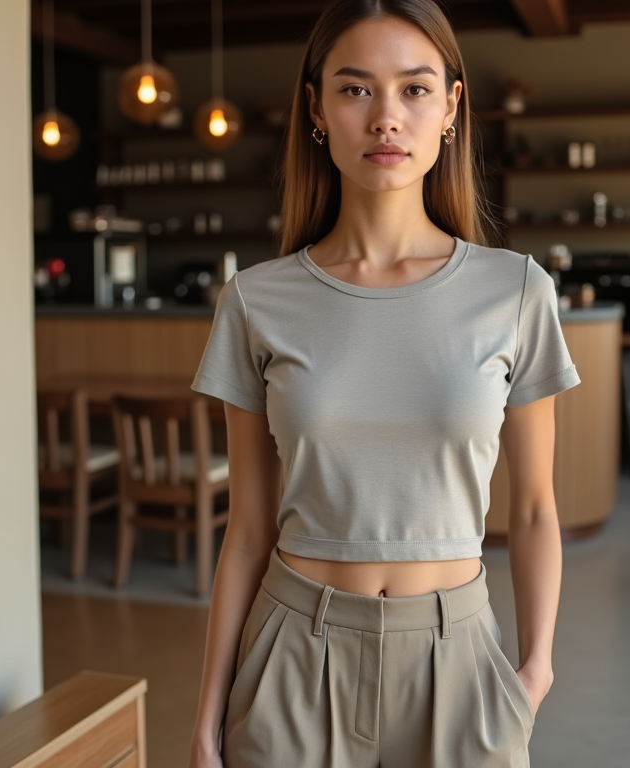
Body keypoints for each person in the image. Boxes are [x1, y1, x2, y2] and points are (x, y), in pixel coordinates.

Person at [187, 1, 580, 766]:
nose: (386, 119)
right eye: (357, 88)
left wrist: (534, 672)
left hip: (460, 667)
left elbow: (534, 508)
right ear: (317, 110)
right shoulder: (255, 301)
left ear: (451, 108)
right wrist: (206, 723)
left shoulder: (518, 292)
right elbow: (246, 531)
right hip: (293, 659)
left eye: (415, 88)